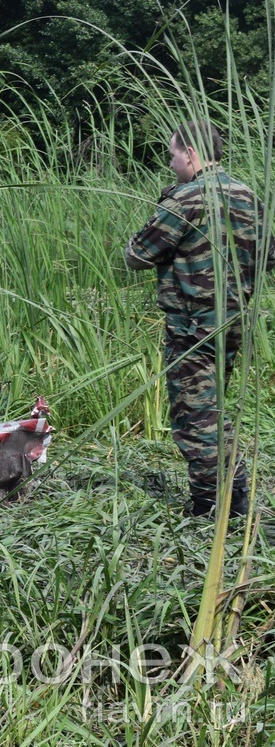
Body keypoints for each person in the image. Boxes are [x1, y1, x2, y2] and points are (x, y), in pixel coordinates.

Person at [125, 121, 268, 517]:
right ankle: (233, 492)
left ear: (190, 153)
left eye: (173, 155)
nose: (171, 164)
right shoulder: (248, 195)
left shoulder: (185, 199)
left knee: (196, 416)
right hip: (234, 323)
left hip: (193, 327)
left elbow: (136, 254)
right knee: (215, 408)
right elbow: (269, 255)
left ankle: (212, 506)